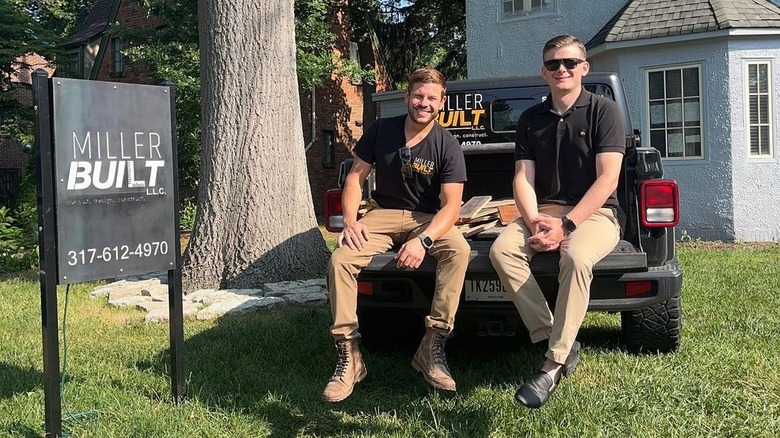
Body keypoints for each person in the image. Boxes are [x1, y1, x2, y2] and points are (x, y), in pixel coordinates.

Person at [489, 35, 626, 408]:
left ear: (584, 68)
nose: (561, 69)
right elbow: (522, 177)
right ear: (544, 71)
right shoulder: (531, 119)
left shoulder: (603, 112)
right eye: (553, 64)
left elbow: (608, 179)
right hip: (542, 212)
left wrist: (566, 227)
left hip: (595, 214)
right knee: (502, 251)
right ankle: (556, 335)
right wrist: (534, 221)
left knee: (577, 258)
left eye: (569, 62)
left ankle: (551, 366)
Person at [323, 67, 470, 403]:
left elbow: (451, 207)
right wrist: (350, 220)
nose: (424, 102)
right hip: (383, 215)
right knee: (341, 258)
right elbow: (354, 179)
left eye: (432, 98)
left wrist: (424, 240)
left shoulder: (447, 145)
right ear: (406, 97)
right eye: (418, 95)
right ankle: (349, 356)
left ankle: (432, 347)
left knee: (459, 251)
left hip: (428, 219)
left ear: (441, 103)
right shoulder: (382, 131)